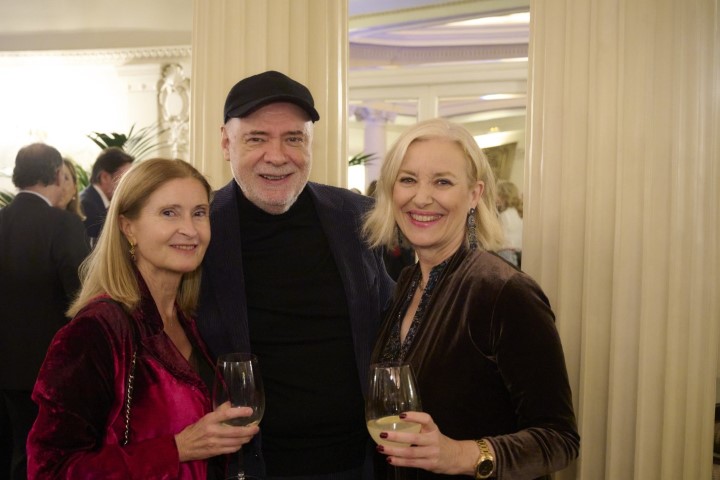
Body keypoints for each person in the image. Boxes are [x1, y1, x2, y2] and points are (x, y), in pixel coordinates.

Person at [197, 70, 395, 480]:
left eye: (293, 138)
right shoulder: (199, 229)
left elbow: (395, 319)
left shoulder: (356, 217)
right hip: (247, 466)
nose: (277, 155)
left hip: (358, 464)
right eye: (256, 139)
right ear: (226, 143)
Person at [363, 119, 579, 480]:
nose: (421, 197)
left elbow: (559, 440)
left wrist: (459, 455)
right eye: (408, 179)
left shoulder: (504, 292)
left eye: (442, 182)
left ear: (475, 194)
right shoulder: (407, 283)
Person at [27, 159, 256, 479]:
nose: (190, 229)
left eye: (199, 213)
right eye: (169, 213)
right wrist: (178, 448)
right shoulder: (95, 331)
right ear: (128, 227)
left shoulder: (188, 318)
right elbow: (50, 470)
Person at [0, 143, 90, 480]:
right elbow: (83, 298)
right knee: (44, 459)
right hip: (48, 368)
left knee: (11, 453)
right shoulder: (63, 224)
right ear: (56, 173)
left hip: (5, 368)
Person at [80, 146, 134, 243]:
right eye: (125, 178)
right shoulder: (87, 205)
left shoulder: (97, 201)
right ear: (104, 177)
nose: (129, 183)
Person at [495, 179, 523, 268]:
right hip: (519, 253)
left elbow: (499, 238)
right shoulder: (519, 215)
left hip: (505, 253)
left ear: (503, 197)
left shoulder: (504, 215)